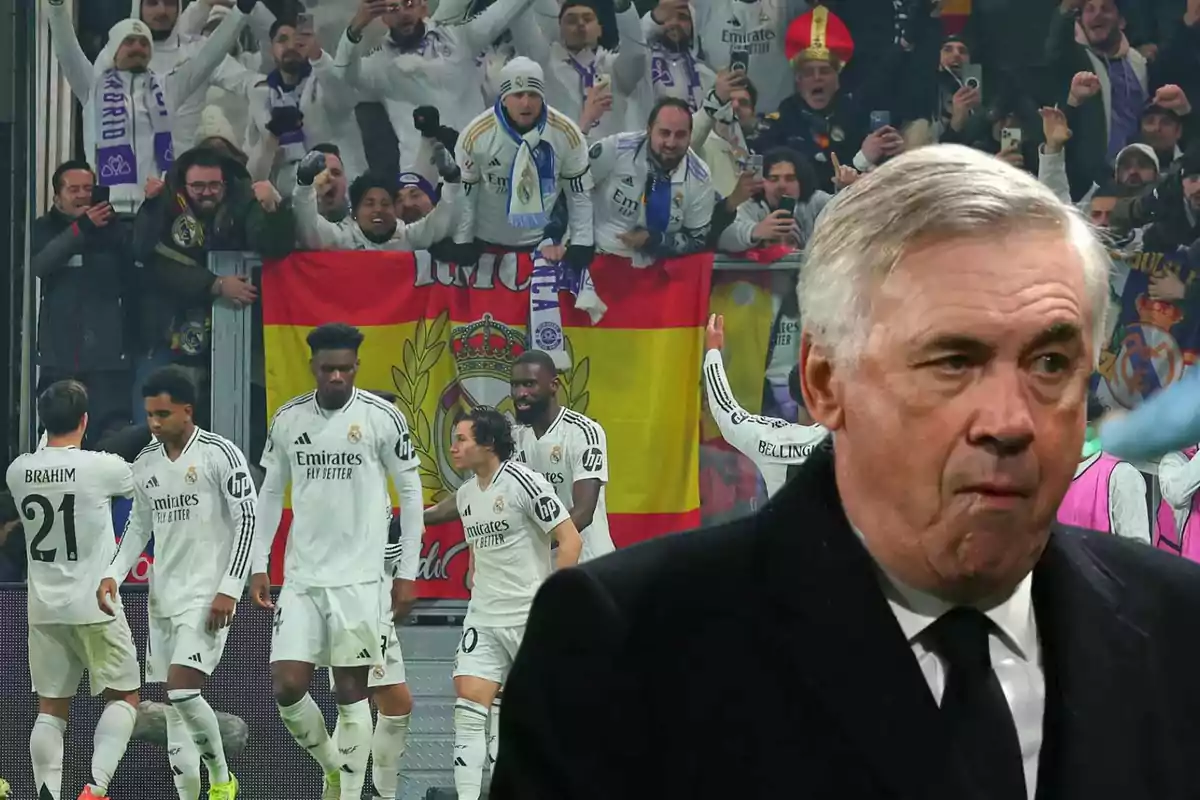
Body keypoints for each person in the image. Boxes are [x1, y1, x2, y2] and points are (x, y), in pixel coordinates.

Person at [490, 144, 1200, 798]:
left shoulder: (1180, 630)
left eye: (1050, 364)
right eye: (953, 362)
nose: (1010, 421)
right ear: (825, 383)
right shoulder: (627, 646)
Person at [249, 322, 425, 800]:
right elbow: (269, 493)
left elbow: (410, 494)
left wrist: (406, 572)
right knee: (286, 684)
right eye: (328, 369)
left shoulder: (381, 419)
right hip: (303, 576)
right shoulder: (288, 419)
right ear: (313, 368)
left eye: (345, 369)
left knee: (352, 691)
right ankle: (332, 767)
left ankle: (348, 794)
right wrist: (258, 560)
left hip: (361, 578)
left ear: (356, 368)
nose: (337, 377)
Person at [102, 367, 257, 800]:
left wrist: (231, 585)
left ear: (188, 410)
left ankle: (223, 779)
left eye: (163, 414)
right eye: (149, 414)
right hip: (162, 598)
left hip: (207, 595)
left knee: (184, 690)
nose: (154, 423)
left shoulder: (219, 453)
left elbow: (249, 518)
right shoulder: (146, 463)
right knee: (175, 713)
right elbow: (138, 527)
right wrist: (113, 574)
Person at [5, 381, 141, 800]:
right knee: (125, 697)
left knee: (51, 708)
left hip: (43, 607)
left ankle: (49, 793)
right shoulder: (103, 467)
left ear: (42, 422)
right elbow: (134, 481)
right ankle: (94, 789)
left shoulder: (18, 471)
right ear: (85, 420)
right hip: (95, 603)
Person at [446, 406, 582, 800]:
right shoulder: (467, 494)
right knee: (469, 705)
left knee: (533, 722)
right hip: (484, 618)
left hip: (528, 617)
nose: (454, 447)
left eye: (462, 439)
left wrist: (555, 604)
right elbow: (476, 552)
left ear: (487, 444)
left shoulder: (525, 482)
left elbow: (570, 539)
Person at [42, 0, 255, 212]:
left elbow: (211, 55)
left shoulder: (168, 89)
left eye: (144, 44)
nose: (137, 48)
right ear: (114, 50)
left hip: (157, 208)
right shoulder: (92, 88)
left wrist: (241, 12)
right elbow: (67, 49)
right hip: (106, 211)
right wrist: (57, 6)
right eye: (129, 42)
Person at [31, 160, 136, 445]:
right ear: (57, 197)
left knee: (111, 435)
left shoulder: (116, 229)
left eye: (88, 188)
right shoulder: (43, 228)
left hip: (108, 358)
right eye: (73, 189)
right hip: (60, 358)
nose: (82, 195)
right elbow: (39, 266)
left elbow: (135, 273)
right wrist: (81, 228)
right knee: (59, 434)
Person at [454, 57, 595, 267]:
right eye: (518, 95)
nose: (526, 103)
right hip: (485, 245)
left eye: (533, 95)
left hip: (541, 247)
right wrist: (462, 240)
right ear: (503, 98)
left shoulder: (566, 134)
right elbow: (465, 194)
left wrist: (582, 242)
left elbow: (578, 193)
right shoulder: (475, 136)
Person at [702, 314, 828, 496]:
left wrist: (713, 352)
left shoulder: (767, 438)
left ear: (792, 394)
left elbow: (724, 409)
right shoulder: (840, 439)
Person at [590, 97, 713, 266]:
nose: (671, 143)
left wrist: (654, 240)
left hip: (659, 271)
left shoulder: (700, 177)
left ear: (690, 136)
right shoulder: (616, 149)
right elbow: (572, 187)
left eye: (680, 135)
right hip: (598, 258)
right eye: (664, 133)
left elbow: (697, 241)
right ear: (649, 130)